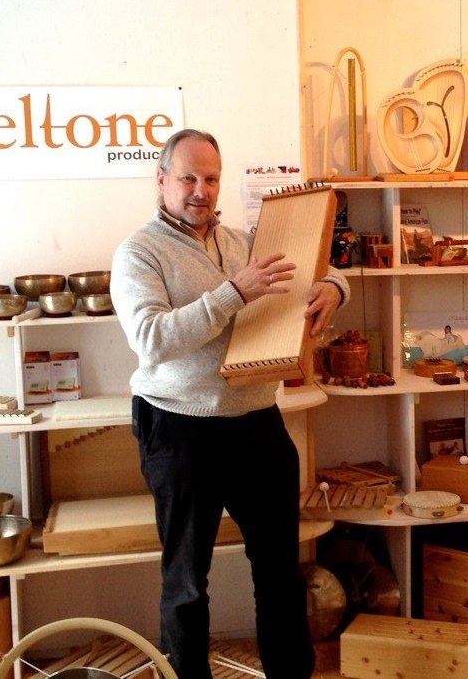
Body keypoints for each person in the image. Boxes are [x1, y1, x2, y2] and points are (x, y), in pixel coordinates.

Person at [111, 129, 347, 679]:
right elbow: (151, 338)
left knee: (280, 573)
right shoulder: (138, 252)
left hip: (255, 424)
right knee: (188, 582)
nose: (201, 190)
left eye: (211, 178)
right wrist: (234, 293)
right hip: (177, 427)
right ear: (162, 180)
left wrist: (336, 287)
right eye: (188, 177)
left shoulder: (241, 242)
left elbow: (315, 267)